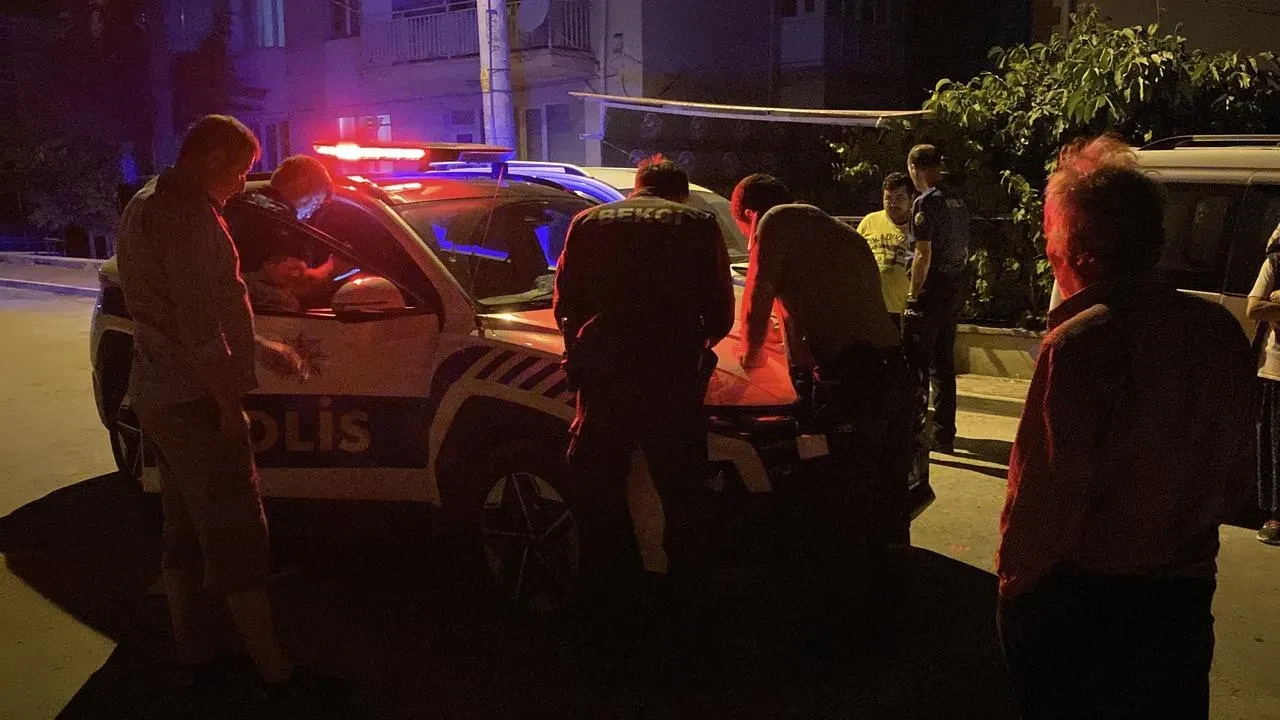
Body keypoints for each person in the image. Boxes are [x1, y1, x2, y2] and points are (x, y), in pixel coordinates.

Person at [996, 135, 1254, 719]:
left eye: (1050, 231)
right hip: (1184, 602)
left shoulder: (1081, 345)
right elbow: (1237, 481)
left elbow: (1044, 501)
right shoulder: (1218, 333)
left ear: (1079, 249)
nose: (1045, 245)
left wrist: (1015, 592)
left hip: (1090, 606)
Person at [115, 115, 349, 713]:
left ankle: (195, 661)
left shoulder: (149, 200)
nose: (245, 184)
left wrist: (260, 347)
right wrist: (227, 408)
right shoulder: (186, 216)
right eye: (242, 170)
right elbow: (200, 328)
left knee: (184, 534)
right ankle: (277, 679)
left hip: (161, 390)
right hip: (194, 397)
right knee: (238, 537)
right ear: (212, 157)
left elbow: (191, 310)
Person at [733, 173, 911, 656]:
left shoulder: (775, 221)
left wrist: (748, 364)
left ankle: (842, 634)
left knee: (840, 504)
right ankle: (890, 612)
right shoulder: (836, 233)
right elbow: (804, 318)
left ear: (748, 214)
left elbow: (757, 298)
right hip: (892, 374)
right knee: (881, 499)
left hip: (854, 379)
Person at [553, 157, 734, 606]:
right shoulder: (696, 223)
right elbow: (720, 312)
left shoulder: (588, 221)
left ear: (637, 187)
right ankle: (686, 600)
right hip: (670, 373)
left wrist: (579, 354)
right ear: (680, 193)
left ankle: (607, 595)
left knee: (598, 487)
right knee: (682, 492)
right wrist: (695, 345)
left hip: (606, 372)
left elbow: (565, 303)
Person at [904, 144, 969, 453]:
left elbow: (922, 253)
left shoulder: (926, 202)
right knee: (944, 364)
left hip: (932, 290)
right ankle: (944, 434)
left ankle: (914, 431)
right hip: (954, 287)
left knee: (917, 363)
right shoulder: (957, 200)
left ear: (915, 168)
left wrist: (912, 295)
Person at [227, 154, 346, 310]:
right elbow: (295, 284)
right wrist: (333, 267)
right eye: (316, 201)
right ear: (302, 184)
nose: (312, 212)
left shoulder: (240, 205)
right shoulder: (279, 220)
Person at [1246, 222, 1280, 546]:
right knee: (1273, 445)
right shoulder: (1275, 264)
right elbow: (1253, 307)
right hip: (1275, 370)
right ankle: (1275, 513)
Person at [857, 172, 915, 328]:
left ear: (911, 199)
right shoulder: (869, 221)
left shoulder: (918, 226)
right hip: (872, 308)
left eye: (899, 198)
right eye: (888, 198)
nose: (893, 204)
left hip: (904, 310)